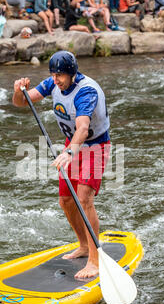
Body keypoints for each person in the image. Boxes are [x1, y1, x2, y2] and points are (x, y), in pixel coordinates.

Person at [12, 51, 111, 279]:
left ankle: (95, 260)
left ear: (72, 73)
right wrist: (18, 91)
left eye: (61, 76)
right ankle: (84, 245)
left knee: (84, 198)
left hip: (94, 146)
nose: (56, 80)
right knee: (66, 200)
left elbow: (84, 129)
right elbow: (21, 103)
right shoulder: (52, 83)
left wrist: (69, 152)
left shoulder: (86, 91)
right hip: (72, 145)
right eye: (54, 75)